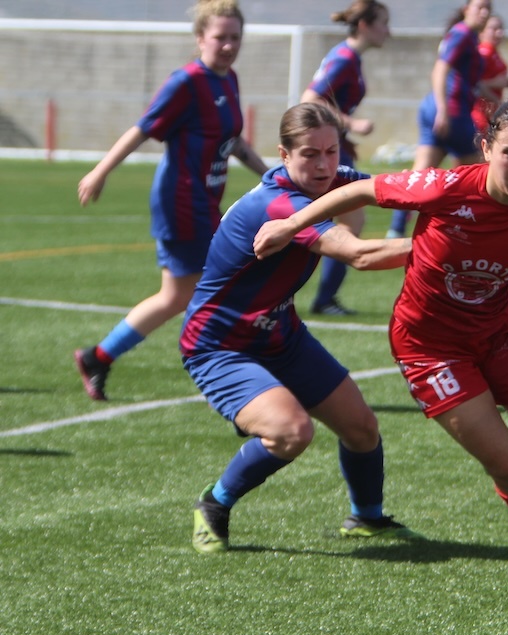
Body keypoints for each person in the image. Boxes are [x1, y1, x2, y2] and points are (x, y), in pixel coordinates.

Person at [254, 98, 508, 535]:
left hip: (500, 332)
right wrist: (292, 224)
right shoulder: (445, 187)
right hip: (430, 347)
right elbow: (362, 190)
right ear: (486, 149)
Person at [184, 102, 417, 553]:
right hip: (220, 346)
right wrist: (446, 245)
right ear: (284, 155)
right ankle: (213, 505)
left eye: (332, 151)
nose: (325, 164)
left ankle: (366, 517)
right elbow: (358, 255)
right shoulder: (278, 203)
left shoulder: (334, 177)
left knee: (362, 428)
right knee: (291, 432)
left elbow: (391, 188)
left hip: (280, 336)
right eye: (311, 153)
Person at [74, 0, 270, 401]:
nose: (229, 45)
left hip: (206, 202)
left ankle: (99, 356)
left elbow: (231, 141)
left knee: (179, 296)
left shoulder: (228, 79)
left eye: (235, 37)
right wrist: (101, 171)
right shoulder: (186, 82)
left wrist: (269, 174)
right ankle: (245, 372)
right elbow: (142, 129)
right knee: (220, 285)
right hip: (181, 202)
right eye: (220, 37)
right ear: (200, 38)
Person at [301, 0, 391, 316]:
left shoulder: (349, 57)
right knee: (342, 223)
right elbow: (309, 100)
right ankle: (322, 299)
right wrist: (350, 123)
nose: (388, 31)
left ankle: (324, 299)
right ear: (364, 25)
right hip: (325, 155)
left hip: (336, 149)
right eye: (383, 23)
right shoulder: (344, 58)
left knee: (344, 221)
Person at [385, 0, 491, 239]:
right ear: (466, 9)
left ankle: (396, 230)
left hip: (435, 108)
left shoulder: (469, 37)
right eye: (479, 7)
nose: (484, 13)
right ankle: (460, 226)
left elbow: (466, 79)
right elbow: (440, 69)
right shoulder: (462, 33)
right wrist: (443, 109)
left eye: (488, 9)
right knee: (476, 172)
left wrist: (493, 89)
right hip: (450, 111)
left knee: (420, 173)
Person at [471, 14, 508, 136]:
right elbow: (475, 83)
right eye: (494, 29)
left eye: (501, 29)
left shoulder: (493, 52)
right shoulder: (483, 53)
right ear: (481, 32)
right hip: (479, 113)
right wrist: (499, 103)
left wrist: (506, 82)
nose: (499, 33)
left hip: (489, 113)